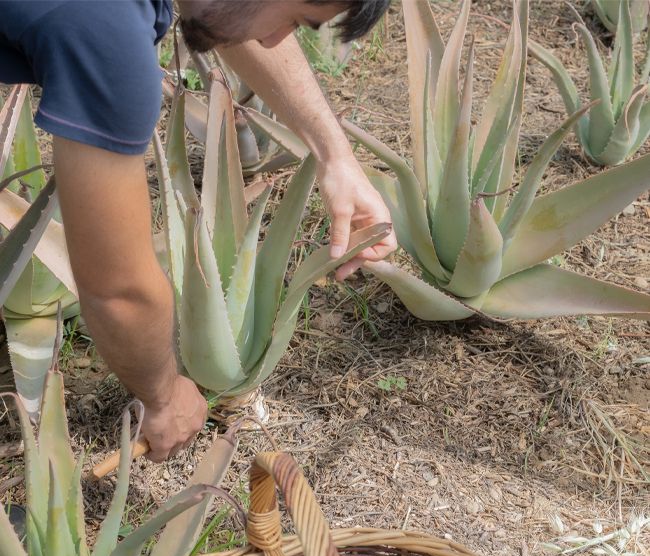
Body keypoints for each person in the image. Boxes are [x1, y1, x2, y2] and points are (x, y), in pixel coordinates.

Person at [0, 0, 396, 462]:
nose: (272, 40)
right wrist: (164, 397)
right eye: (294, 21)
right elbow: (117, 289)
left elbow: (241, 18)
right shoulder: (106, 29)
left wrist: (335, 156)